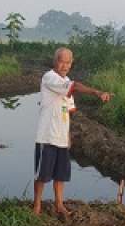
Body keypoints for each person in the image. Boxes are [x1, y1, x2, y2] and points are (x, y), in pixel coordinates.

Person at [33, 47, 112, 216]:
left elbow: (68, 111)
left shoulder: (66, 80)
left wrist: (68, 135)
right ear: (55, 61)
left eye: (68, 62)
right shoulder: (49, 77)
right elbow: (74, 86)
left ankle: (59, 204)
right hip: (46, 136)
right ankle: (37, 205)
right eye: (62, 61)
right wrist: (97, 92)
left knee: (60, 174)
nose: (65, 65)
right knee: (42, 174)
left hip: (61, 136)